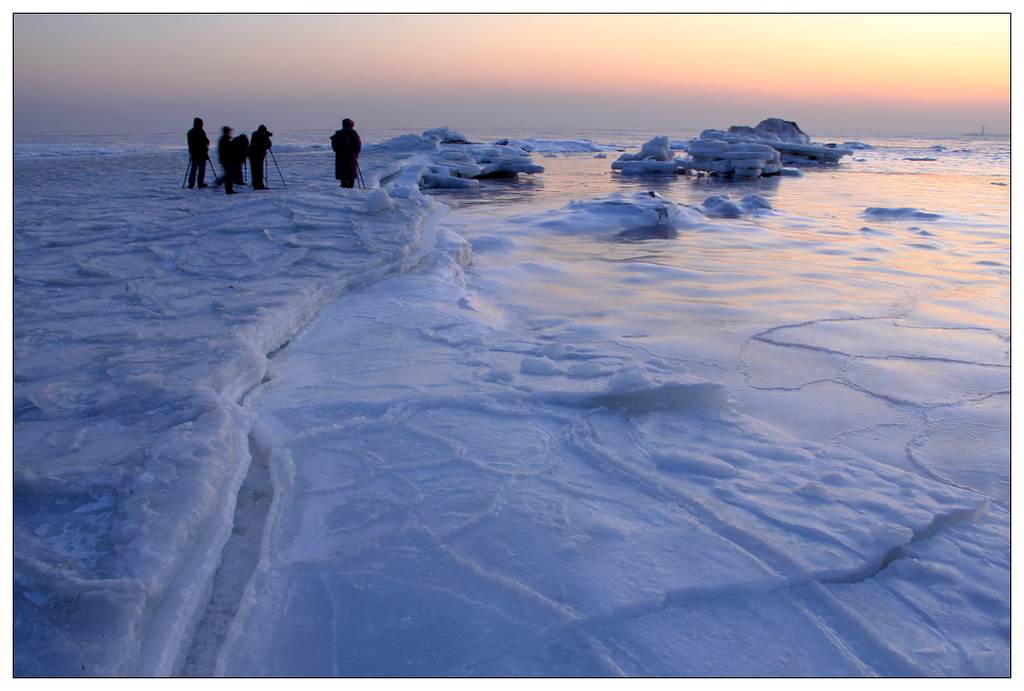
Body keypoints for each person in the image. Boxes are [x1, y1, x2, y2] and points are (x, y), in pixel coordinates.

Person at [330, 118, 361, 188]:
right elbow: (358, 146)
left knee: (343, 177)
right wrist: (356, 154)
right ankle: (350, 193)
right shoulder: (353, 133)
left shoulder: (338, 133)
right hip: (351, 157)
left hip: (340, 158)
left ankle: (343, 192)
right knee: (351, 178)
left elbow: (335, 148)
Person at [186, 117, 209, 189]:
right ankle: (200, 183)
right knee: (200, 169)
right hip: (201, 154)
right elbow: (206, 141)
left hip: (194, 154)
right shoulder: (200, 131)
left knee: (194, 169)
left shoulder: (190, 132)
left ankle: (191, 184)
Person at [215, 126, 236, 195]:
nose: (230, 132)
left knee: (228, 174)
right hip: (226, 159)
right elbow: (227, 150)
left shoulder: (224, 139)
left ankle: (221, 183)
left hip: (225, 159)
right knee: (229, 174)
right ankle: (228, 190)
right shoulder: (224, 140)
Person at [249, 125, 272, 190]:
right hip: (258, 156)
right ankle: (259, 185)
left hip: (252, 155)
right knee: (259, 171)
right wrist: (267, 137)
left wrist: (266, 135)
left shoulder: (255, 134)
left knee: (254, 170)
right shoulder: (261, 136)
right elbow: (268, 145)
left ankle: (256, 185)